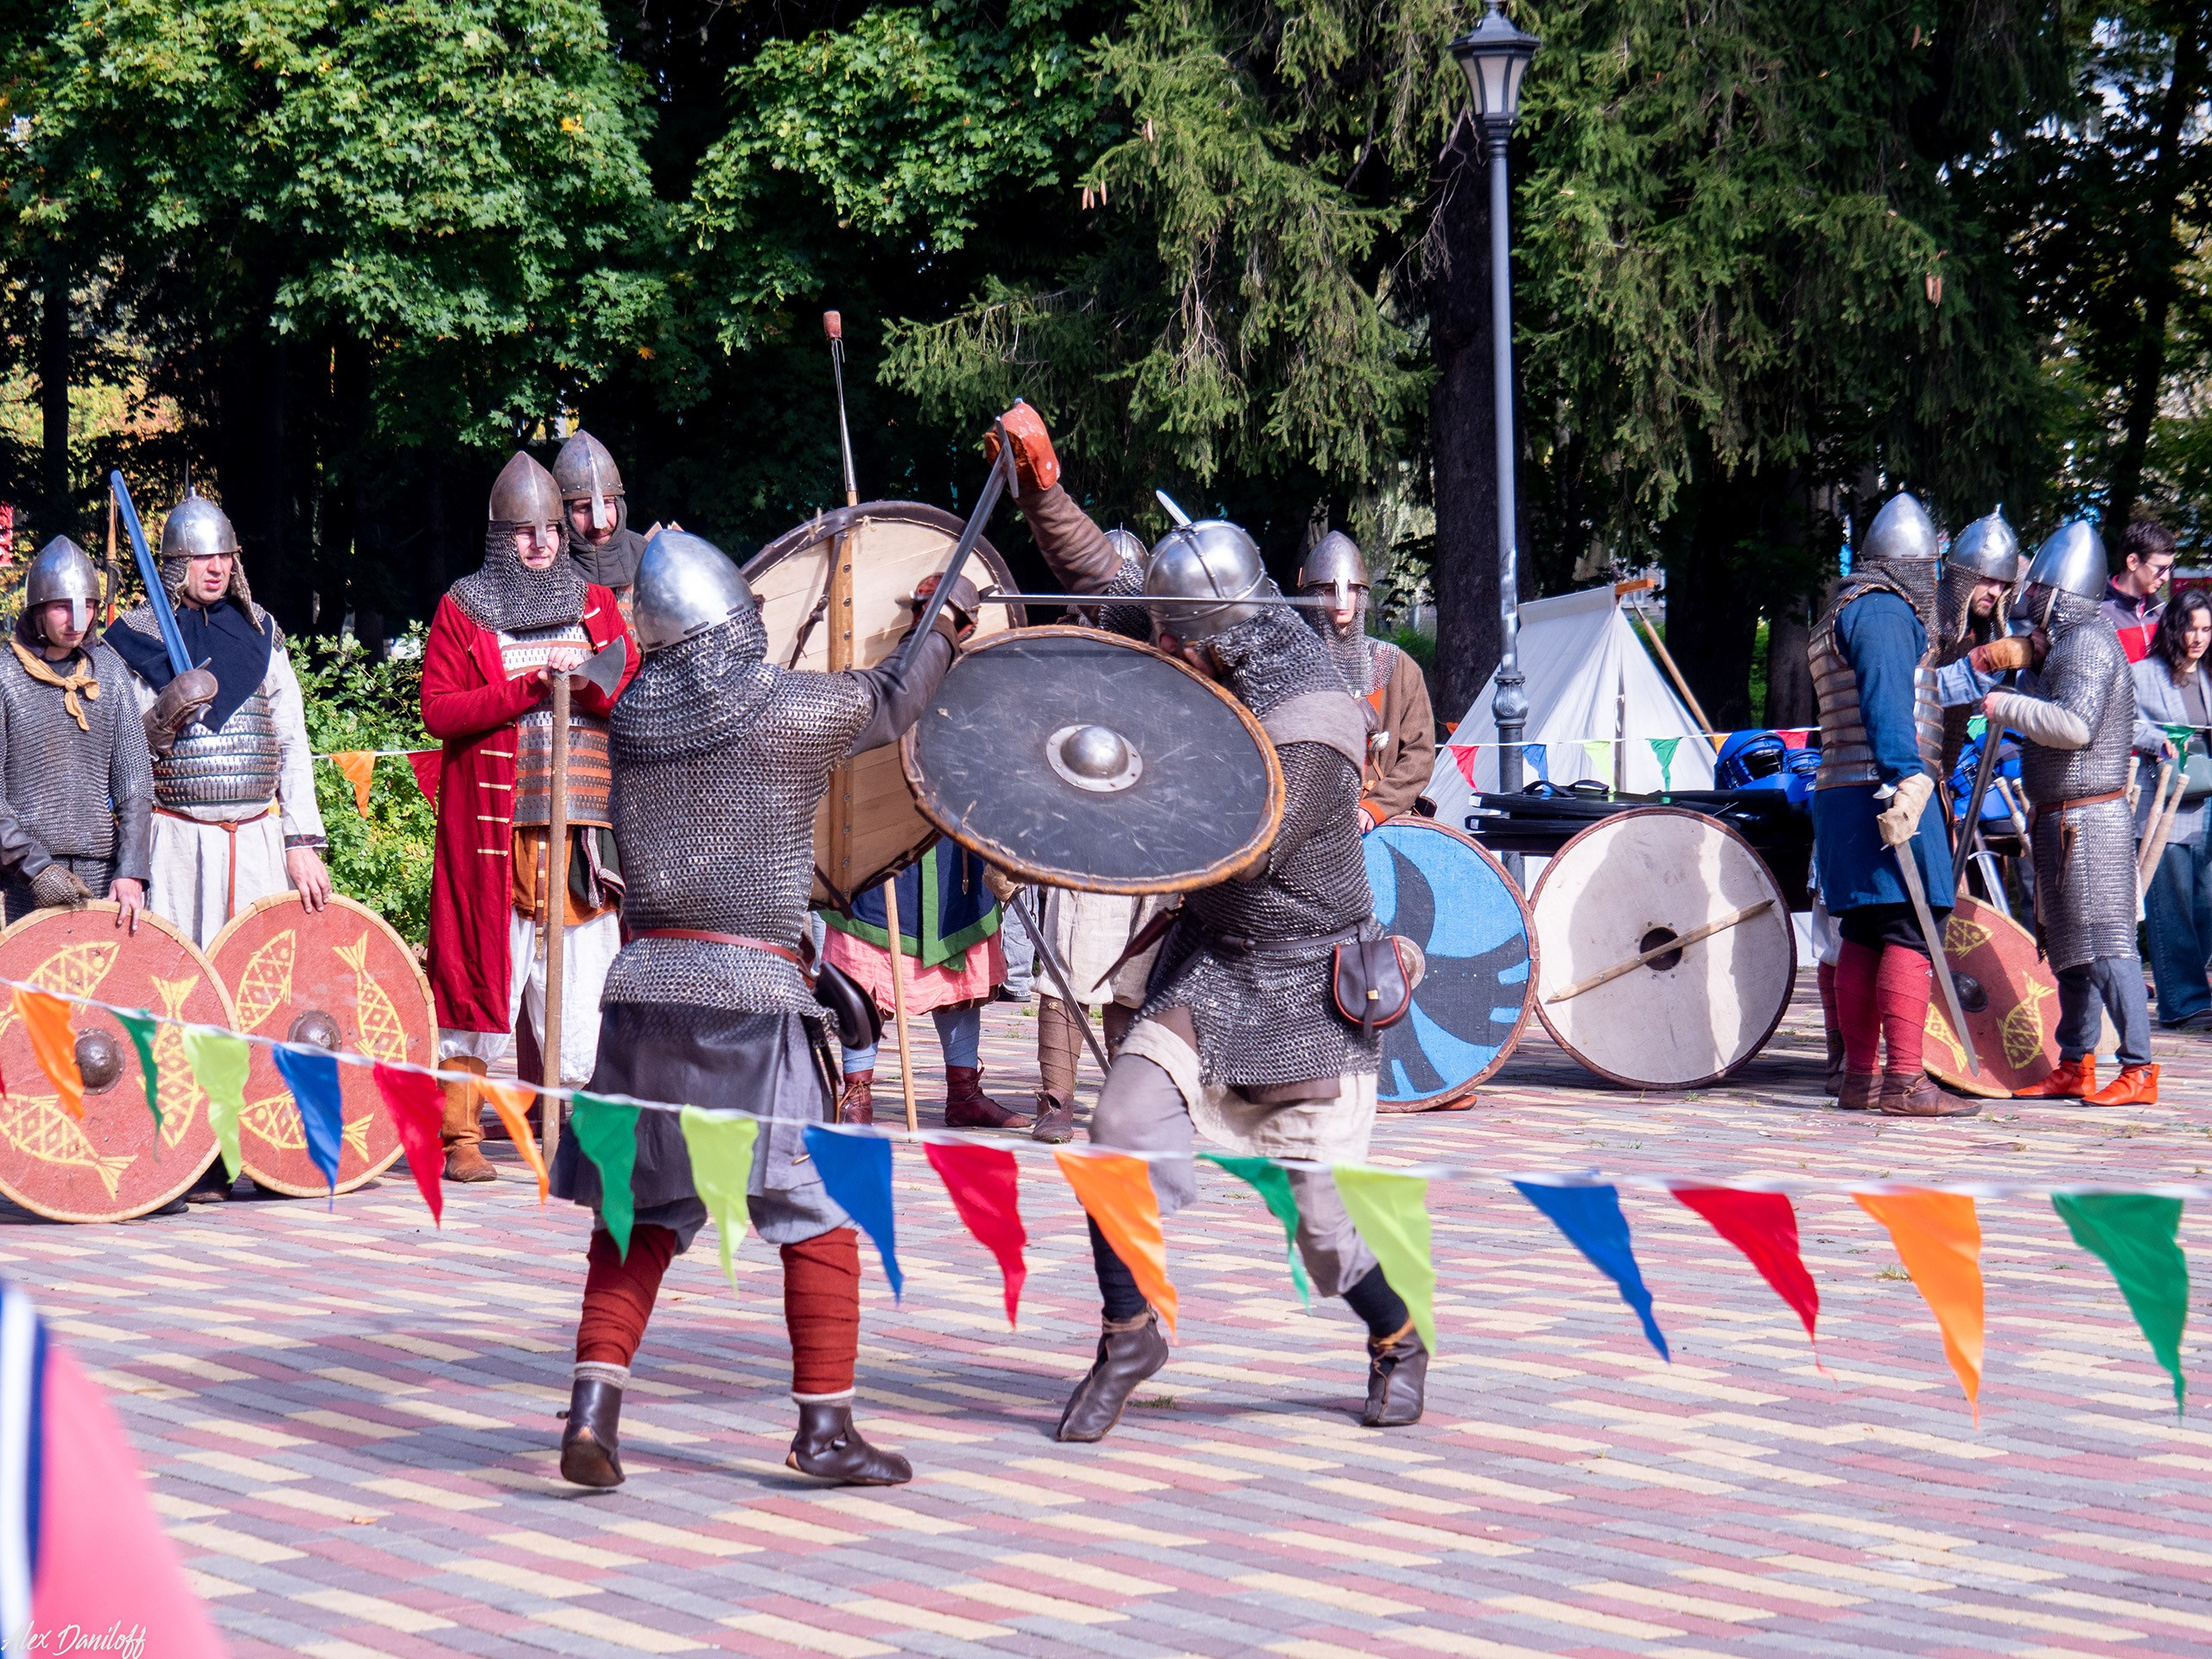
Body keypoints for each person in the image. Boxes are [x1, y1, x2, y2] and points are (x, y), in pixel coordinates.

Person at [991, 402, 1422, 1437]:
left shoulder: (1316, 724)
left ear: (1217, 645)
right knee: (1115, 1134)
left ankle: (1396, 1337)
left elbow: (1228, 845)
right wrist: (1045, 488)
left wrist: (1082, 803)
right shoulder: (1215, 636)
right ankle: (1128, 1329)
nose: (1165, 655)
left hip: (1307, 983)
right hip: (1213, 965)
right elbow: (1105, 585)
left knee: (1320, 1227)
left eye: (1177, 646)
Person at [551, 530, 974, 1490]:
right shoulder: (776, 711)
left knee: (639, 1212)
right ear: (736, 625)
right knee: (818, 1209)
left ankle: (592, 1413)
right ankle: (822, 1429)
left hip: (642, 995)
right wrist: (941, 622)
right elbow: (894, 698)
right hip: (748, 1001)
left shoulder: (633, 716)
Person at [423, 453, 637, 1183]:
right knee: (483, 970)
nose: (542, 543)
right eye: (525, 532)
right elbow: (440, 709)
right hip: (497, 828)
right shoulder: (464, 608)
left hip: (581, 827)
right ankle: (459, 1132)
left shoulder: (593, 603)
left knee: (583, 976)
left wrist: (590, 683)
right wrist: (521, 691)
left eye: (549, 529)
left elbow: (625, 671)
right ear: (499, 537)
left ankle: (579, 1128)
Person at [1808, 492, 1980, 1118]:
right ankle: (1904, 1082)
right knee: (1909, 928)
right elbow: (1885, 700)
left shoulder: (1843, 608)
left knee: (1865, 932)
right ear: (1912, 563)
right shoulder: (1882, 611)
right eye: (1930, 566)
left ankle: (1860, 1080)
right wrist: (1907, 776)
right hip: (1883, 789)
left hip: (1846, 793)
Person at [107, 487, 331, 950]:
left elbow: (291, 742)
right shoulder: (134, 640)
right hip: (174, 844)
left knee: (257, 987)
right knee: (176, 984)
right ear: (175, 563)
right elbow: (117, 757)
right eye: (202, 557)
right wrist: (161, 718)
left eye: (225, 556)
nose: (217, 568)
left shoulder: (260, 632)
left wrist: (300, 842)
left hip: (257, 844)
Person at [1998, 522, 2158, 1104]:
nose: (2030, 598)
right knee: (2069, 950)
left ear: (2059, 591)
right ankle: (2076, 1063)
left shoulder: (2089, 641)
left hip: (2091, 820)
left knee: (2109, 948)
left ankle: (2139, 1070)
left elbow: (2074, 727)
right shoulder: (2065, 643)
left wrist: (2005, 704)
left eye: (2038, 590)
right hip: (2061, 817)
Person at [820, 841, 1027, 1130]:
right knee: (864, 965)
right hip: (880, 842)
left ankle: (963, 1095)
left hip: (954, 849)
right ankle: (857, 1096)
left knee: (960, 958)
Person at [0, 537, 152, 927]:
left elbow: (135, 786)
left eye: (86, 605)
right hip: (19, 880)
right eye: (61, 606)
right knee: (29, 988)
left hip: (103, 876)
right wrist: (36, 869)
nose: (76, 619)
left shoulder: (111, 672)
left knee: (101, 986)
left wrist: (131, 871)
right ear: (37, 612)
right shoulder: (5, 676)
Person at [1294, 531, 1435, 827]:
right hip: (1308, 819)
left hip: (1378, 822)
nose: (1341, 600)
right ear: (1312, 596)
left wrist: (1377, 806)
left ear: (1362, 594)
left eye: (1351, 589)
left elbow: (1419, 756)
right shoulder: (1293, 667)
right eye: (1329, 591)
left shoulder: (1398, 668)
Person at [1027, 887, 1170, 1142]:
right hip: (1089, 854)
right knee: (1073, 966)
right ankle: (1055, 1104)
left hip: (1166, 855)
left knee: (1137, 980)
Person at [2133, 588, 2212, 1030]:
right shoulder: (2144, 674)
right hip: (2165, 802)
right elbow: (2118, 719)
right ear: (2173, 628)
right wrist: (2153, 740)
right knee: (2172, 903)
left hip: (2209, 803)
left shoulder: (2209, 674)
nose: (2198, 638)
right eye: (2191, 628)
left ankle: (2188, 990)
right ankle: (2182, 1001)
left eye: (2206, 629)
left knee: (2205, 903)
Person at [1930, 508, 2023, 775]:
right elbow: (1910, 693)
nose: (1995, 592)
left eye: (2003, 584)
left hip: (1946, 767)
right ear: (1964, 575)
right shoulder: (1925, 619)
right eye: (1988, 579)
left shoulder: (1986, 631)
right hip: (1906, 767)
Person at [553, 429, 647, 607]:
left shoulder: (644, 555)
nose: (599, 523)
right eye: (584, 508)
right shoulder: (548, 566)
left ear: (619, 505)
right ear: (564, 513)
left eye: (607, 503)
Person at [2101, 518, 2175, 664]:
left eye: (2170, 568)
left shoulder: (2163, 611)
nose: (2166, 577)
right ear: (2133, 562)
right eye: (2161, 569)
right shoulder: (2098, 612)